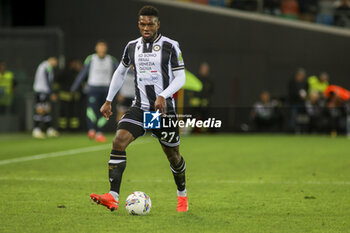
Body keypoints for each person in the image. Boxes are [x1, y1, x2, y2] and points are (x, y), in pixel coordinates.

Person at [90, 5, 188, 212]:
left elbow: (181, 77)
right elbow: (120, 72)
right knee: (119, 140)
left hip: (163, 112)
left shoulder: (171, 46)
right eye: (142, 24)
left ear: (157, 24)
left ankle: (182, 195)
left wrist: (163, 95)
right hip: (141, 108)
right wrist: (108, 100)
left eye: (150, 24)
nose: (146, 28)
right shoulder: (132, 46)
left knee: (173, 156)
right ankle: (113, 196)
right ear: (138, 24)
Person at [71, 40, 118, 142]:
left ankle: (99, 132)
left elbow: (119, 73)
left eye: (103, 47)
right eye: (99, 47)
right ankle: (91, 130)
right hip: (93, 88)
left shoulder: (111, 60)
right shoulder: (91, 59)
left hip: (106, 89)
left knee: (105, 111)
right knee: (92, 109)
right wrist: (74, 87)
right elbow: (83, 73)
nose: (101, 49)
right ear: (96, 48)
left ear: (106, 49)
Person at [32, 57, 59, 138]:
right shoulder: (46, 66)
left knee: (46, 110)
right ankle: (36, 130)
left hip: (43, 91)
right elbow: (48, 81)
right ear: (52, 60)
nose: (55, 64)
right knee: (40, 110)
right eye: (55, 62)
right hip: (41, 91)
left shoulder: (43, 66)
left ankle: (49, 129)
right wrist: (52, 93)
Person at [55, 59, 83, 131]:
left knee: (73, 113)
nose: (75, 65)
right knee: (63, 112)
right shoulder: (64, 71)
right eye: (74, 63)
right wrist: (56, 92)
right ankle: (62, 128)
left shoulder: (78, 73)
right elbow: (57, 81)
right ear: (70, 64)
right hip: (64, 96)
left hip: (74, 97)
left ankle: (74, 129)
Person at [288, 68, 309, 132]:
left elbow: (306, 92)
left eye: (303, 76)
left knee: (303, 117)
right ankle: (292, 130)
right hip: (294, 103)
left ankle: (303, 130)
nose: (301, 77)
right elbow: (291, 93)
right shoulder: (292, 83)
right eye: (300, 75)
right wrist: (299, 94)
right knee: (293, 117)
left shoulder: (305, 83)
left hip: (302, 103)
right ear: (297, 75)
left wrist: (304, 96)